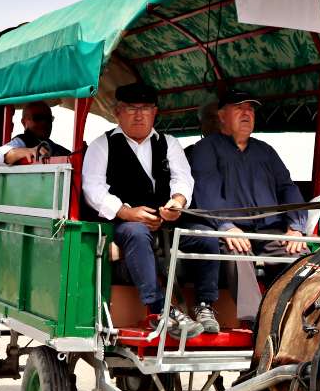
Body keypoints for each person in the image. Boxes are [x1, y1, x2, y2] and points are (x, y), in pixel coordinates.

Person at [82, 82, 220, 338]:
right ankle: (159, 310)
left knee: (206, 238)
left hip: (168, 220)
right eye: (131, 108)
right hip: (126, 223)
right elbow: (93, 188)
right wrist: (126, 212)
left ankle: (205, 306)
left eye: (145, 108)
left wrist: (176, 203)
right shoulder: (102, 145)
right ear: (117, 113)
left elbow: (183, 180)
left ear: (154, 112)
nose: (138, 114)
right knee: (136, 234)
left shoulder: (170, 144)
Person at [190, 88, 308, 302]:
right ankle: (254, 324)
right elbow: (206, 190)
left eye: (250, 109)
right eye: (239, 108)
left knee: (300, 259)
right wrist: (226, 226)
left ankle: (296, 321)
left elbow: (287, 188)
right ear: (222, 116)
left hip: (270, 230)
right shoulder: (205, 148)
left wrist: (296, 227)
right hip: (233, 230)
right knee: (237, 252)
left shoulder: (266, 151)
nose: (246, 113)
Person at [0, 102, 72, 165]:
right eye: (37, 118)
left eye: (48, 118)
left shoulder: (53, 146)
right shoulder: (22, 141)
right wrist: (26, 151)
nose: (44, 123)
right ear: (24, 122)